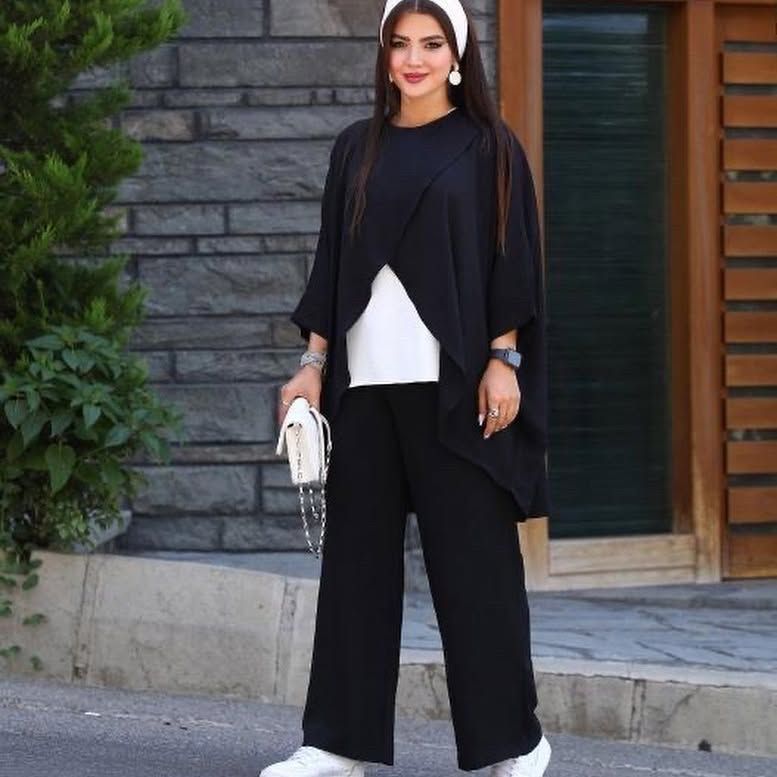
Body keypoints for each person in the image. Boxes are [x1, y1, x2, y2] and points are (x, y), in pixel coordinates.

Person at [261, 1, 552, 776]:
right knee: (355, 573)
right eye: (399, 44)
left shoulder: (488, 147)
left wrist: (503, 359)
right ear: (383, 55)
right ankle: (335, 744)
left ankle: (514, 744)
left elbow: (511, 261)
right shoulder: (355, 150)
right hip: (365, 394)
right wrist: (313, 365)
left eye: (430, 43)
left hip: (456, 390)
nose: (414, 58)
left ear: (457, 54)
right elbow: (331, 268)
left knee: (476, 576)